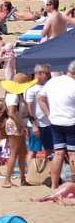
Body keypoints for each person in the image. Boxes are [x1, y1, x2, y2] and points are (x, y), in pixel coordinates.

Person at [39, 60, 75, 190]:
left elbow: (40, 98)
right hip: (71, 122)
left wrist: (48, 114)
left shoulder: (53, 81)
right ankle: (73, 184)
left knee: (58, 153)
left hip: (55, 121)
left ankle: (54, 185)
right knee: (72, 154)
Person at [1, 73, 34, 188]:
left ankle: (22, 179)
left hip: (17, 124)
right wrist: (21, 125)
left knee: (22, 153)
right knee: (14, 153)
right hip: (15, 125)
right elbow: (12, 112)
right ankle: (7, 180)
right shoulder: (13, 96)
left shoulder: (15, 95)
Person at [27, 64, 54, 160]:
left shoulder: (49, 86)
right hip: (37, 124)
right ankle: (30, 174)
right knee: (33, 150)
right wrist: (34, 125)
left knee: (50, 150)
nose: (48, 75)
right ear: (38, 74)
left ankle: (49, 172)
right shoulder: (31, 90)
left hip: (48, 123)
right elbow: (29, 109)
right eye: (46, 73)